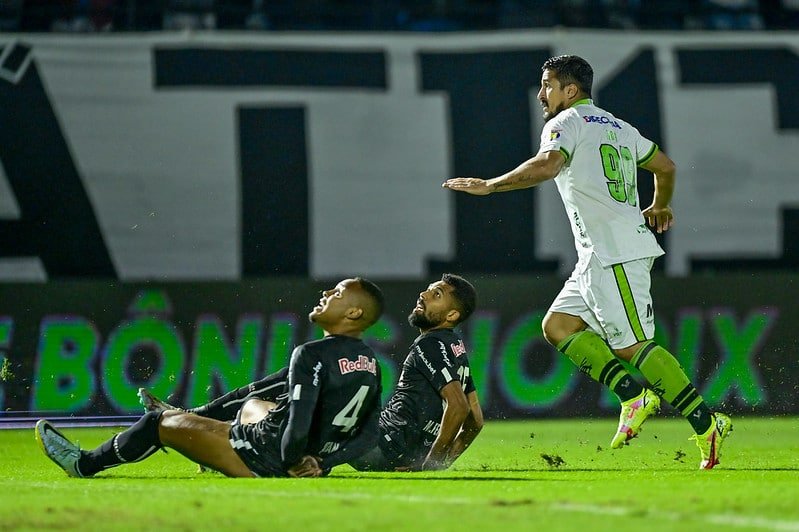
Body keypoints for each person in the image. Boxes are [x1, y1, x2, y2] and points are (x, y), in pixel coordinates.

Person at [442, 55, 732, 470]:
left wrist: (490, 186)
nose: (542, 94)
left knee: (631, 346)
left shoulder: (565, 123)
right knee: (558, 326)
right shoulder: (617, 126)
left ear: (570, 90)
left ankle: (707, 425)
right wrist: (659, 205)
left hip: (615, 252)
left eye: (548, 85)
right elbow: (664, 166)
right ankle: (634, 395)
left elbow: (548, 165)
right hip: (597, 253)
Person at [36, 277, 385, 478]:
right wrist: (323, 463)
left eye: (337, 294)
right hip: (299, 455)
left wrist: (293, 460)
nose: (326, 294)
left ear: (353, 312)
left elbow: (298, 422)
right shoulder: (369, 361)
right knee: (253, 403)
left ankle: (84, 464)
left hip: (263, 454)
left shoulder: (310, 354)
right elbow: (368, 432)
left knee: (157, 423)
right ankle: (194, 422)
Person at [139, 273, 484, 472]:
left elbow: (457, 409)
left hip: (378, 443)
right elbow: (476, 420)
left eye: (436, 295)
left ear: (451, 315)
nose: (423, 294)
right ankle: (198, 420)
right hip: (393, 449)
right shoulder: (456, 348)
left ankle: (199, 424)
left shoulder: (430, 346)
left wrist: (430, 466)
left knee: (268, 397)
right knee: (286, 387)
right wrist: (439, 462)